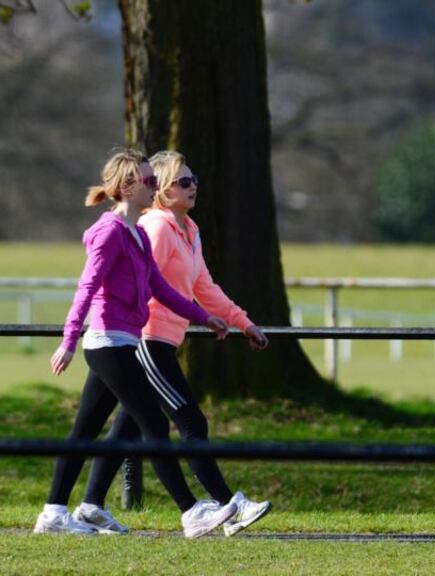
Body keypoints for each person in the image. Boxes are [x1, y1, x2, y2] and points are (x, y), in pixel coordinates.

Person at [33, 149, 234, 536]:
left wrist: (203, 316)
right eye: (148, 180)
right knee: (154, 423)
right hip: (106, 342)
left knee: (85, 430)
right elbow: (87, 286)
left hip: (122, 342)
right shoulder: (110, 232)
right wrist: (69, 339)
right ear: (127, 186)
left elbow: (159, 287)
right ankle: (191, 513)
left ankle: (54, 512)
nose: (155, 185)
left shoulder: (137, 233)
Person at [81, 150, 272, 538]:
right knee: (189, 420)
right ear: (163, 190)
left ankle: (89, 506)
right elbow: (141, 280)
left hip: (166, 340)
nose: (193, 186)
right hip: (146, 340)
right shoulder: (156, 227)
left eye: (195, 179)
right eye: (183, 182)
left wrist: (243, 322)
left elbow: (204, 286)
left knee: (127, 428)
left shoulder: (189, 230)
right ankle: (229, 506)